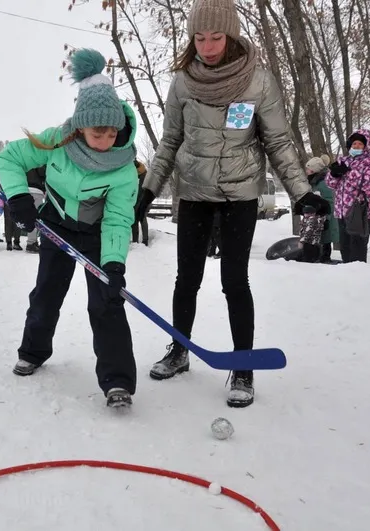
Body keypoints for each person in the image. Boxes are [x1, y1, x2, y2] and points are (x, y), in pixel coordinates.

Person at [133, 0, 328, 408]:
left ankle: (242, 367)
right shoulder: (183, 82)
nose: (207, 46)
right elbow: (170, 142)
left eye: (215, 37)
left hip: (240, 194)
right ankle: (179, 350)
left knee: (234, 281)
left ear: (232, 34)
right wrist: (147, 191)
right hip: (194, 192)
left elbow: (276, 141)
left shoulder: (258, 81)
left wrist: (301, 192)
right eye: (199, 38)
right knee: (187, 278)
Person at [0, 48, 139, 408]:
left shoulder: (123, 167)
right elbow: (9, 157)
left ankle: (117, 380)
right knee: (46, 293)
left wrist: (113, 263)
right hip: (57, 225)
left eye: (111, 133)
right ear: (80, 125)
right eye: (97, 133)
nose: (105, 141)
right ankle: (33, 351)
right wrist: (19, 198)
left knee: (106, 304)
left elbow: (119, 218)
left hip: (95, 234)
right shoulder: (57, 141)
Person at [326, 129, 370, 263]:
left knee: (357, 249)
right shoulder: (343, 160)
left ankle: (359, 278)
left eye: (360, 144)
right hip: (342, 212)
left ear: (366, 145)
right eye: (354, 144)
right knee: (345, 248)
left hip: (361, 211)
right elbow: (330, 184)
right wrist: (334, 174)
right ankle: (346, 277)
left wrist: (348, 172)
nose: (356, 146)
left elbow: (368, 183)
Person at [305, 156, 338, 262]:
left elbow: (329, 202)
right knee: (321, 239)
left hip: (324, 217)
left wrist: (326, 218)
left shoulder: (323, 183)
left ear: (314, 170)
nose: (306, 171)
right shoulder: (315, 181)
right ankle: (319, 257)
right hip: (318, 216)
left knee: (325, 239)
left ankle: (325, 258)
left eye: (308, 169)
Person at [24, 166, 47, 253]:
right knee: (35, 218)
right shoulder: (38, 160)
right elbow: (43, 173)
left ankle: (31, 241)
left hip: (25, 188)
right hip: (36, 190)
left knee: (29, 216)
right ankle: (31, 243)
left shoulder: (25, 158)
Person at [131, 160, 150, 246]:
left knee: (138, 218)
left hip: (141, 200)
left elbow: (140, 192)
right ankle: (140, 240)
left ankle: (140, 240)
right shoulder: (143, 173)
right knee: (140, 218)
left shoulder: (141, 176)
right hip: (142, 200)